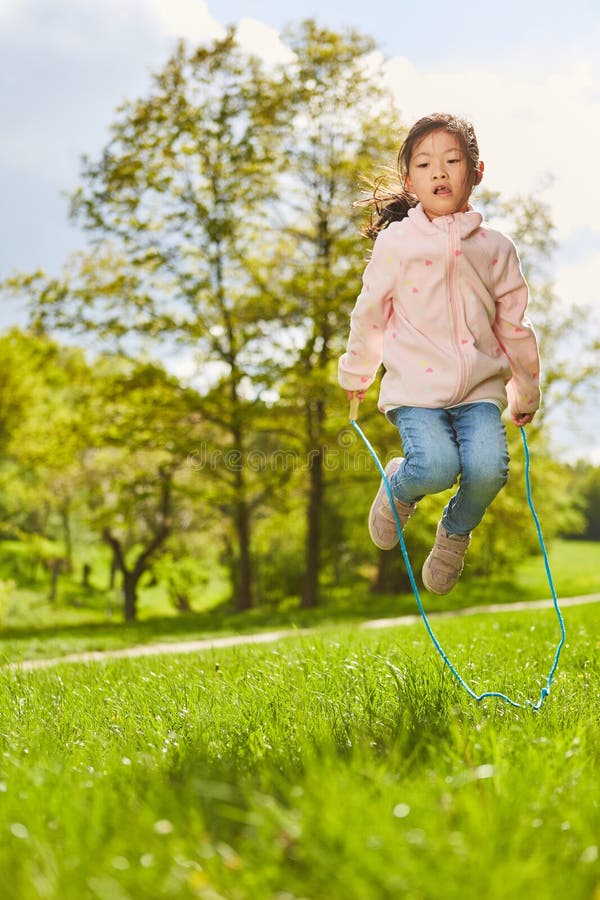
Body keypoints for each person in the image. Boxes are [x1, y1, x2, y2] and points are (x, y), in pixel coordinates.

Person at [338, 112, 540, 595]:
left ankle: (453, 536)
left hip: (477, 392)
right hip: (416, 390)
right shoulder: (397, 243)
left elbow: (512, 324)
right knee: (435, 466)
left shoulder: (494, 248)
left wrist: (525, 387)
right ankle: (398, 487)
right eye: (426, 164)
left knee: (489, 471)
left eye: (452, 161)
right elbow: (371, 313)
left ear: (477, 171)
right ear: (410, 180)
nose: (440, 172)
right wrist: (357, 372)